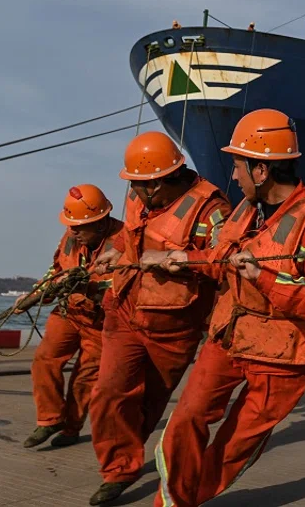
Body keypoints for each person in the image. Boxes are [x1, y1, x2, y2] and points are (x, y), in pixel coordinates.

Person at [147, 108, 305, 507]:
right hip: (229, 337)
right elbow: (220, 254)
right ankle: (171, 503)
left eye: (238, 166)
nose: (233, 176)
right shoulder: (244, 209)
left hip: (279, 357)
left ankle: (190, 498)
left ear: (261, 171)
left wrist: (264, 277)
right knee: (185, 421)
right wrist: (181, 258)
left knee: (234, 445)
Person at [87, 131, 232, 506]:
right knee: (108, 392)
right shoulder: (140, 196)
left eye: (140, 186)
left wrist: (184, 261)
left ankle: (131, 455)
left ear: (160, 182)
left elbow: (226, 263)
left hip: (174, 326)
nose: (134, 193)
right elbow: (130, 239)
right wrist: (115, 253)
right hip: (124, 311)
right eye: (132, 185)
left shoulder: (211, 209)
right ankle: (118, 470)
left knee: (150, 401)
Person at [19, 184, 123, 449]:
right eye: (71, 225)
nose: (73, 231)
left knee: (85, 378)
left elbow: (126, 289)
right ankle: (49, 420)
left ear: (100, 222)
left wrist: (90, 288)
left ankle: (71, 428)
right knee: (44, 359)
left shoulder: (125, 242)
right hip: (69, 312)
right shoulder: (69, 237)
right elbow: (55, 273)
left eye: (79, 226)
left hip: (100, 322)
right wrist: (33, 296)